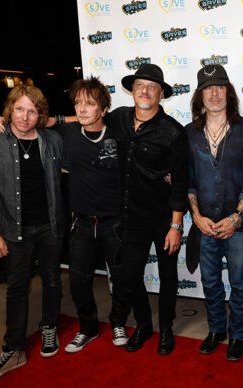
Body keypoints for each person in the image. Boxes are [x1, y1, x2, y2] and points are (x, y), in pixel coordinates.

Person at [0, 77, 132, 352]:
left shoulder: (119, 133)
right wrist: (1, 121)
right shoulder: (65, 134)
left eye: (90, 104)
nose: (82, 108)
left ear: (104, 109)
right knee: (78, 281)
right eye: (78, 102)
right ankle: (88, 327)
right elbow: (31, 122)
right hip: (81, 223)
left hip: (114, 223)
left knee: (121, 277)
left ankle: (118, 322)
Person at [0, 85, 64, 383]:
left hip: (51, 226)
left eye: (32, 111)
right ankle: (14, 350)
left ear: (41, 115)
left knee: (52, 280)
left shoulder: (52, 140)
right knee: (16, 288)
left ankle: (49, 327)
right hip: (12, 229)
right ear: (9, 109)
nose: (25, 116)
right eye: (19, 109)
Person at [104, 64, 189, 354]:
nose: (145, 91)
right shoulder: (119, 118)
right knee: (129, 275)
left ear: (161, 94)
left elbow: (180, 184)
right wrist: (49, 120)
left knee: (168, 277)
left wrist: (176, 226)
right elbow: (88, 118)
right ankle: (143, 324)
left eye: (152, 87)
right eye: (140, 85)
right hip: (131, 218)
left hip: (164, 219)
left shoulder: (173, 132)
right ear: (132, 89)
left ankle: (166, 328)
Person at [186, 64, 243, 361]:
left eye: (220, 87)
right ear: (200, 95)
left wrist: (236, 217)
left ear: (228, 92)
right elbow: (188, 180)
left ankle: (238, 335)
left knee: (240, 282)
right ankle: (216, 330)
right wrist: (196, 216)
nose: (214, 93)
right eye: (208, 88)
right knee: (210, 282)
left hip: (238, 227)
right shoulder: (189, 133)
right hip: (204, 224)